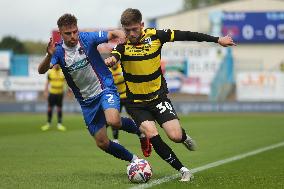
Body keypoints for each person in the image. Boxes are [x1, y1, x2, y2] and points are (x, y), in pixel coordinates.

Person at [105, 8, 236, 181]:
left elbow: (187, 35)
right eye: (127, 30)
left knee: (175, 136)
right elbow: (115, 55)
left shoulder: (156, 36)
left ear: (142, 25)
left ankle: (183, 136)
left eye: (134, 29)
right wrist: (111, 59)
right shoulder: (122, 45)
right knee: (152, 134)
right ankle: (183, 170)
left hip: (158, 98)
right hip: (136, 103)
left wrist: (217, 39)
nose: (131, 33)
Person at [38, 13, 152, 165]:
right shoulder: (57, 52)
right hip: (87, 102)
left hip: (105, 88)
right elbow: (41, 70)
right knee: (102, 142)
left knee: (113, 120)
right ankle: (134, 160)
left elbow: (112, 33)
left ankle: (141, 133)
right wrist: (48, 55)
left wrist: (121, 35)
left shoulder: (87, 38)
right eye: (68, 33)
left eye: (75, 31)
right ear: (60, 33)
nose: (73, 36)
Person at [41, 64, 67, 131]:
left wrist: (68, 91)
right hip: (52, 93)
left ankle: (59, 124)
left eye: (57, 64)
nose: (56, 66)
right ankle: (48, 123)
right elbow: (47, 83)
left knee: (59, 108)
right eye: (55, 64)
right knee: (50, 108)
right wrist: (45, 91)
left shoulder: (63, 72)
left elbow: (66, 82)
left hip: (60, 93)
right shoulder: (50, 72)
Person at [108, 63, 128, 143]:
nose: (113, 64)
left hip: (126, 96)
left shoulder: (123, 68)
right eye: (112, 64)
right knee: (114, 118)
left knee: (134, 116)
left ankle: (142, 135)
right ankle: (115, 139)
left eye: (115, 62)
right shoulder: (108, 72)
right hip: (116, 98)